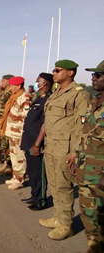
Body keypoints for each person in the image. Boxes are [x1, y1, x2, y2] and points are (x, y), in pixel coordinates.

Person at [39, 60, 90, 240]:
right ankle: (58, 217)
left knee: (63, 185)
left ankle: (66, 225)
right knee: (54, 184)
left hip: (65, 148)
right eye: (53, 70)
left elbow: (82, 126)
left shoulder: (79, 94)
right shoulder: (55, 94)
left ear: (70, 73)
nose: (54, 73)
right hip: (51, 146)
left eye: (58, 70)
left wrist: (76, 152)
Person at [71, 60, 104, 252]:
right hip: (86, 169)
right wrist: (77, 159)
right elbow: (86, 134)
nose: (93, 78)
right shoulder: (94, 101)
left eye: (98, 75)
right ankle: (93, 245)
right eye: (93, 74)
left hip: (100, 174)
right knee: (87, 212)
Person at [20, 73, 53, 211]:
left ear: (45, 83)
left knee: (39, 173)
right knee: (31, 171)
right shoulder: (39, 98)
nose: (35, 83)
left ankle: (41, 200)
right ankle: (34, 196)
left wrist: (37, 144)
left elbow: (44, 124)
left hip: (36, 142)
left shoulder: (47, 100)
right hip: (29, 140)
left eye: (38, 81)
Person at [0, 76, 30, 190]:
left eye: (12, 86)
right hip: (11, 132)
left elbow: (26, 119)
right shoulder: (15, 97)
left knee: (20, 156)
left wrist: (23, 135)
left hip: (19, 133)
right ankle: (15, 176)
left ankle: (19, 179)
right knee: (13, 156)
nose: (10, 88)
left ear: (19, 86)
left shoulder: (24, 98)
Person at [0, 74, 14, 175]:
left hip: (7, 123)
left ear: (9, 82)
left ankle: (10, 167)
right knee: (4, 145)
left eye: (3, 81)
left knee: (7, 145)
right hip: (3, 123)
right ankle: (6, 164)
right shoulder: (4, 92)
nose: (1, 82)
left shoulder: (9, 93)